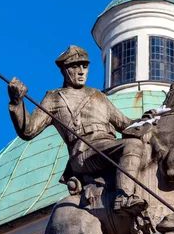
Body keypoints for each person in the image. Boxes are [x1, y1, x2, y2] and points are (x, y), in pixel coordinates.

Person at [8, 45, 147, 215]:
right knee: (131, 146)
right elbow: (28, 130)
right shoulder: (54, 98)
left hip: (106, 145)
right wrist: (17, 102)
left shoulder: (98, 95)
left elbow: (126, 125)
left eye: (85, 66)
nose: (81, 71)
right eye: (75, 66)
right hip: (84, 153)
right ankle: (123, 198)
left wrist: (151, 120)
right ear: (64, 70)